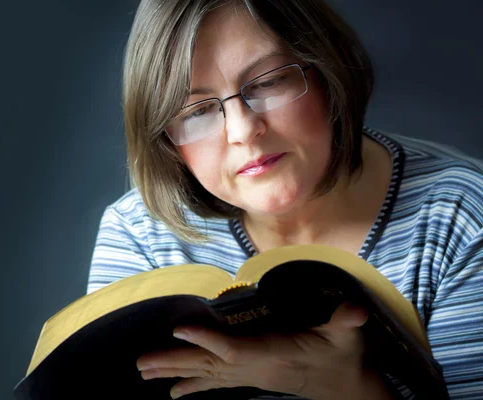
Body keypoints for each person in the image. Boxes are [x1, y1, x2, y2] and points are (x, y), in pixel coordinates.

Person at [86, 0, 483, 398]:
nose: (242, 130)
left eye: (268, 82)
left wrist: (353, 391)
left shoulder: (462, 218)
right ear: (167, 142)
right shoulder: (140, 234)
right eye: (197, 111)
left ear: (327, 72)